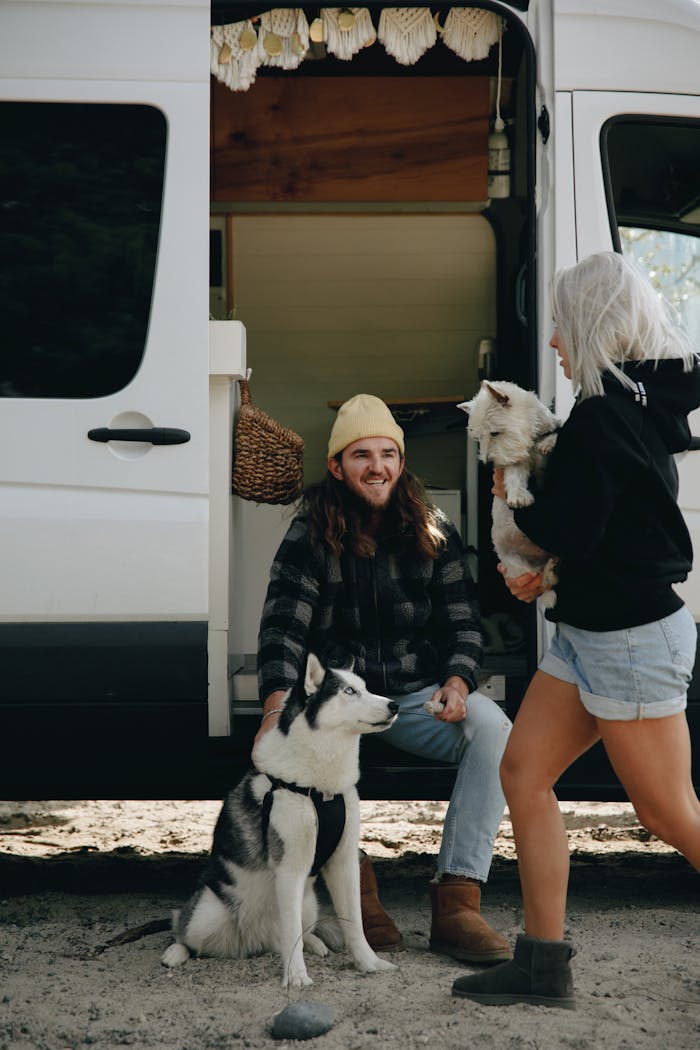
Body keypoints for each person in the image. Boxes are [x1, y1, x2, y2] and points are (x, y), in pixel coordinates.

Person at [452, 251, 700, 1009]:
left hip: (630, 638)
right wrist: (550, 572)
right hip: (590, 633)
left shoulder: (602, 418)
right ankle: (542, 964)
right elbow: (605, 534)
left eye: (561, 322)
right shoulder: (626, 408)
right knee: (523, 773)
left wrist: (515, 502)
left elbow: (577, 528)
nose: (554, 339)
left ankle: (542, 963)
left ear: (589, 323)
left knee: (668, 814)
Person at [254, 393, 512, 963]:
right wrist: (276, 709)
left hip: (411, 699)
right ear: (337, 466)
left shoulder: (430, 528)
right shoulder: (310, 533)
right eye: (362, 454)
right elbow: (281, 632)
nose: (378, 466)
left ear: (401, 461)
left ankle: (458, 902)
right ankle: (358, 890)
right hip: (339, 705)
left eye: (389, 453)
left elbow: (465, 624)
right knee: (308, 751)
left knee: (495, 730)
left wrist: (457, 682)